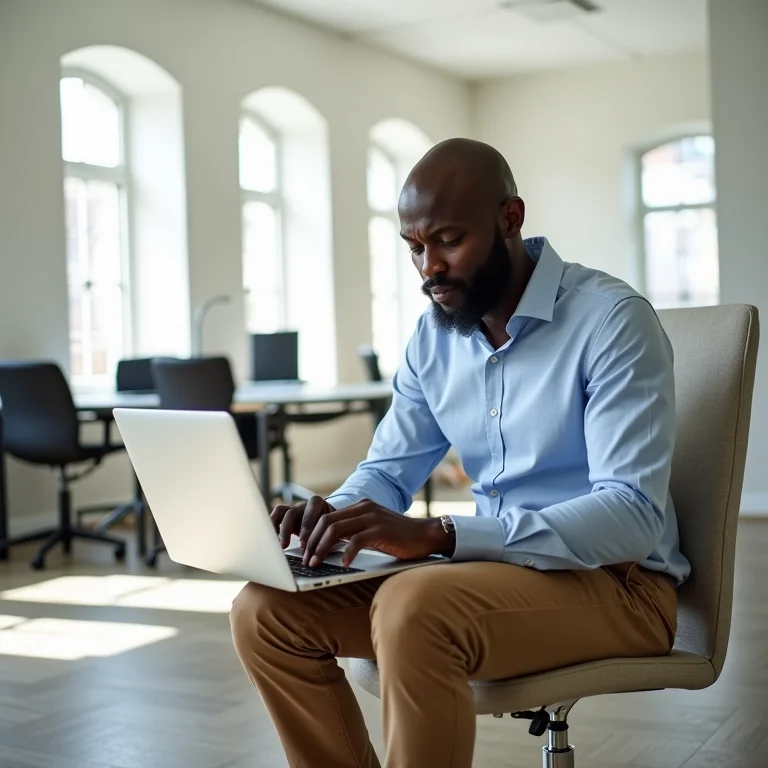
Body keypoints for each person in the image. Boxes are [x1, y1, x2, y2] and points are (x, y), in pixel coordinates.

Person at [230, 138, 691, 768]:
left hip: (620, 585)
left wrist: (443, 535)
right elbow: (388, 474)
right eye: (415, 248)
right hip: (491, 580)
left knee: (415, 606)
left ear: (510, 218)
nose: (429, 268)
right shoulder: (433, 340)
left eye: (448, 240)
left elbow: (632, 515)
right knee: (264, 611)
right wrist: (329, 518)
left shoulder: (611, 322)